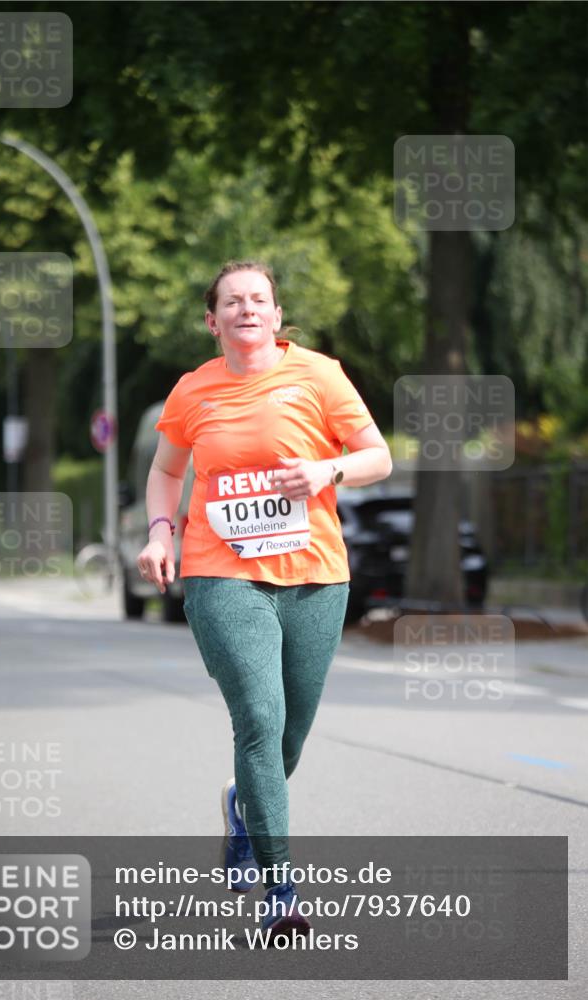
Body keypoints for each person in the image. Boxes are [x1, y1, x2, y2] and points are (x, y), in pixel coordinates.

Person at [137, 260, 392, 940]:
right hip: (222, 574)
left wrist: (324, 469)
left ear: (276, 316)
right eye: (232, 301)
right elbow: (166, 472)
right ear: (211, 320)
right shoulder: (194, 391)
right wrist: (162, 533)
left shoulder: (319, 375)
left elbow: (377, 457)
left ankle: (244, 811)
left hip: (315, 575)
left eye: (259, 300)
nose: (247, 309)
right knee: (257, 713)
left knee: (289, 732)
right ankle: (281, 890)